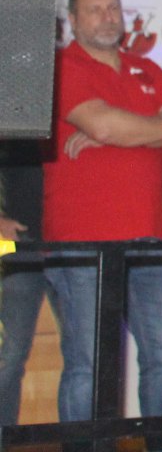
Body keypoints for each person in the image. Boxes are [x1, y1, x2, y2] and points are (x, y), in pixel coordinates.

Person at [43, 0, 162, 435]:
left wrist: (122, 132)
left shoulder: (147, 69)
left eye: (113, 7)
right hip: (82, 241)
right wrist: (126, 131)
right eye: (94, 9)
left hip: (151, 236)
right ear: (73, 20)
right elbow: (107, 126)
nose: (107, 16)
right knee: (89, 362)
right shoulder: (61, 67)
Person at [0, 140, 51, 427]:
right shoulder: (17, 124)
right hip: (19, 241)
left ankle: (82, 442)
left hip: (67, 239)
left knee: (83, 350)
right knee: (12, 350)